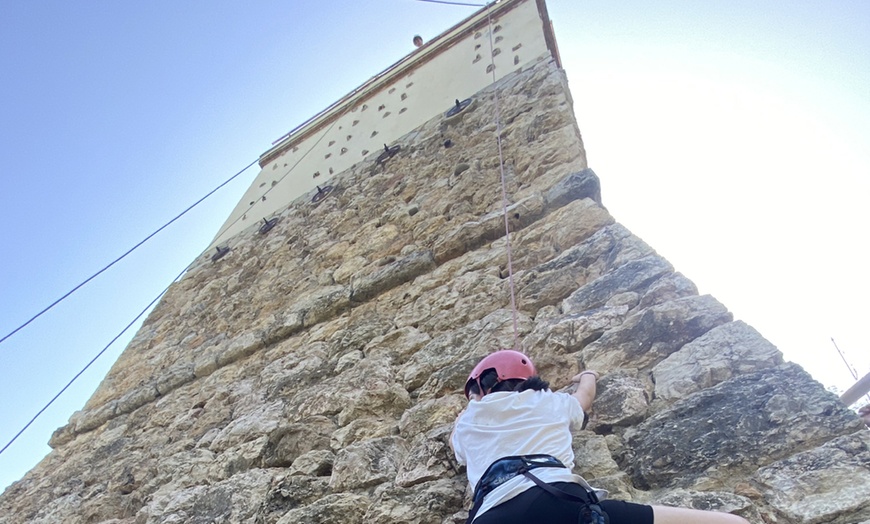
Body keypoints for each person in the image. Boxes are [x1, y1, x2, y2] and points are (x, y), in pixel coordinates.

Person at [451, 349, 750, 524]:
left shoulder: (465, 423)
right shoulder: (548, 400)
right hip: (555, 501)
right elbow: (583, 399)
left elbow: (462, 450)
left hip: (489, 517)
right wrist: (588, 375)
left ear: (481, 388)